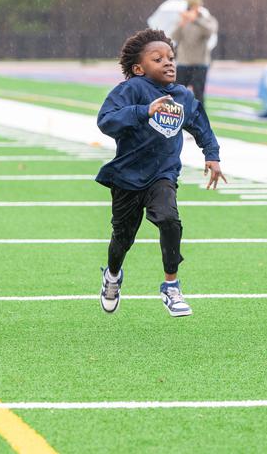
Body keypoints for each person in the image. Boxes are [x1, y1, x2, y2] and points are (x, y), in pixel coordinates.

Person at [96, 28, 226, 317]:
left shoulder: (182, 96)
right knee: (122, 238)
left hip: (162, 174)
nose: (168, 63)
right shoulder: (130, 90)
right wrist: (144, 111)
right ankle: (113, 276)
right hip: (127, 177)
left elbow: (201, 125)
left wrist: (212, 156)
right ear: (139, 68)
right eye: (158, 59)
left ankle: (171, 286)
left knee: (169, 220)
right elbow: (105, 121)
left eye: (171, 57)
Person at [171, 0, 218, 107]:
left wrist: (196, 20)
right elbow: (174, 37)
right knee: (177, 95)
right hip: (183, 63)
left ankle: (199, 122)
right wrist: (181, 23)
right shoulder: (182, 20)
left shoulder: (206, 19)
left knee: (199, 96)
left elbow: (210, 31)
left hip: (200, 64)